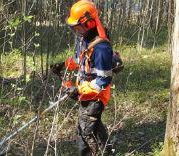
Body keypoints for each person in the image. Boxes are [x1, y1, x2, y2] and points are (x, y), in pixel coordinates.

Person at [64, 0, 117, 155]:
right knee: (94, 126)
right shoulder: (84, 38)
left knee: (86, 131)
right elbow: (79, 59)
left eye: (77, 26)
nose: (75, 29)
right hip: (85, 94)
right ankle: (109, 151)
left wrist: (79, 89)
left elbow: (103, 81)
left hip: (96, 96)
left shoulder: (101, 48)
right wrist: (65, 65)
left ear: (89, 23)